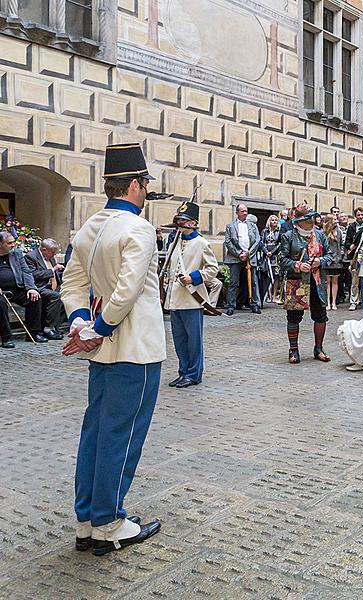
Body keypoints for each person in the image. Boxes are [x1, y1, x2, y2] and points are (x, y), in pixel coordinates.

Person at [59, 143, 163, 554]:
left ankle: (87, 518)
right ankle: (109, 522)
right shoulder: (138, 229)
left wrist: (81, 323)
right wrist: (98, 328)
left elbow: (71, 285)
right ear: (136, 184)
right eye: (145, 185)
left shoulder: (89, 226)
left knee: (96, 431)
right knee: (122, 436)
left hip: (101, 351)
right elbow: (128, 290)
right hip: (134, 349)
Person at [161, 201, 220, 389]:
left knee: (194, 341)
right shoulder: (174, 242)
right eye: (178, 220)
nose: (180, 224)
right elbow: (169, 269)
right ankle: (183, 371)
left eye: (184, 220)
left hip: (192, 298)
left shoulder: (202, 243)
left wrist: (194, 277)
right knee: (179, 341)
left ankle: (194, 374)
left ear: (194, 223)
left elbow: (213, 269)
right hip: (175, 299)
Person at [278, 207, 335, 364]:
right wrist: (297, 265)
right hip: (296, 280)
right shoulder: (289, 236)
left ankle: (319, 349)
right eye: (309, 218)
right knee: (294, 317)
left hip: (317, 281)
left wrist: (320, 261)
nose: (312, 221)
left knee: (320, 315)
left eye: (313, 218)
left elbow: (330, 255)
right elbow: (282, 260)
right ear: (300, 220)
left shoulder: (320, 235)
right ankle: (293, 350)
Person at [0, 231, 52, 345]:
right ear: (0, 244)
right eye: (9, 243)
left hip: (17, 288)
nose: (13, 245)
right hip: (1, 292)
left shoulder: (17, 254)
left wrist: (31, 288)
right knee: (0, 303)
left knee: (35, 297)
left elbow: (26, 272)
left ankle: (33, 333)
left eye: (14, 242)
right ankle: (6, 337)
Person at [24, 237, 67, 337]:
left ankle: (55, 326)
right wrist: (53, 270)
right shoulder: (31, 257)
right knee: (56, 296)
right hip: (39, 286)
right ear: (44, 250)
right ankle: (48, 328)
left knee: (68, 294)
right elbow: (33, 275)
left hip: (53, 285)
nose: (54, 255)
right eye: (52, 252)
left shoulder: (50, 256)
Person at [223, 203, 260, 315]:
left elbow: (257, 240)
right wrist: (239, 253)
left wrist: (248, 253)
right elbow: (228, 242)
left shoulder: (253, 226)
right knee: (234, 283)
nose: (245, 213)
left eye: (246, 211)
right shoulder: (230, 226)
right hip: (236, 258)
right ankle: (231, 306)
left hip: (250, 257)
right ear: (237, 212)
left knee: (253, 282)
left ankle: (254, 305)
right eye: (242, 211)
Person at [344, 207, 363, 310]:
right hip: (355, 255)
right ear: (355, 216)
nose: (361, 216)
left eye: (362, 214)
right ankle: (353, 301)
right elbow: (347, 242)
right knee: (354, 280)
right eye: (359, 215)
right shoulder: (352, 226)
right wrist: (351, 246)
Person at [258, 214, 282, 305]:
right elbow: (261, 242)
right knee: (267, 275)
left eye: (276, 220)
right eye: (272, 220)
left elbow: (280, 243)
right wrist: (266, 251)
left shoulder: (279, 232)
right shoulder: (264, 231)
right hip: (266, 255)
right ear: (269, 221)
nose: (274, 222)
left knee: (276, 275)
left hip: (275, 255)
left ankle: (274, 295)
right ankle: (268, 295)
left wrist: (272, 252)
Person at [321, 214, 343, 311]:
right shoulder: (323, 232)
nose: (336, 221)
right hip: (326, 259)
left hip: (336, 260)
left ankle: (334, 302)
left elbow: (341, 244)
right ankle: (327, 302)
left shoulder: (339, 231)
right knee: (327, 282)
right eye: (334, 219)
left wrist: (340, 255)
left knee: (335, 281)